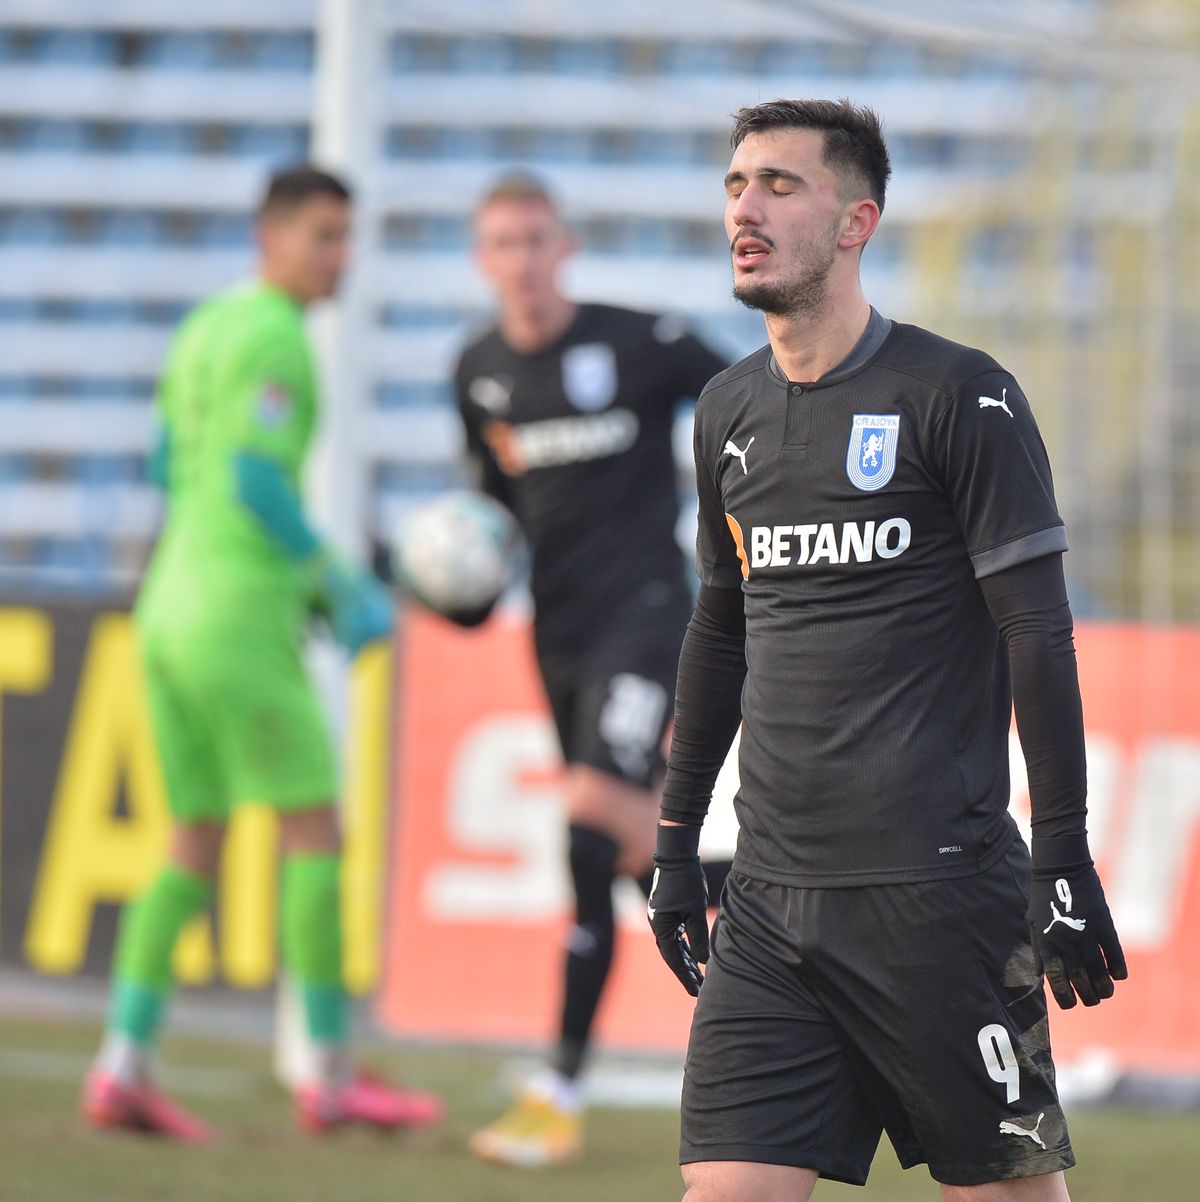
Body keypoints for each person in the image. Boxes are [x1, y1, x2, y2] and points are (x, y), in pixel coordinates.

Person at [646, 99, 1127, 1202]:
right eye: (734, 185)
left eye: (779, 185)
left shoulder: (959, 394)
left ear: (857, 220)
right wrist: (678, 840)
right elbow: (722, 629)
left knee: (1005, 1192)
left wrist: (1063, 856)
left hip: (941, 901)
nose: (744, 209)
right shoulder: (726, 410)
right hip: (771, 902)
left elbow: (1037, 634)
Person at [82, 165, 442, 1141]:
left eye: (345, 235)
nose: (341, 256)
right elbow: (255, 480)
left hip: (165, 603)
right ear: (271, 236)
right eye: (324, 235)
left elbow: (167, 463)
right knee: (315, 831)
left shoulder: (205, 327)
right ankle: (327, 1073)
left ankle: (123, 1061)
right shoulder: (280, 338)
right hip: (237, 612)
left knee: (191, 839)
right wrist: (335, 579)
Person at [449, 175, 732, 1168]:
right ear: (483, 260)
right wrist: (461, 591)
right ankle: (789, 921)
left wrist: (742, 508)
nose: (521, 260)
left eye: (535, 239)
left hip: (649, 616)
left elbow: (742, 393)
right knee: (624, 850)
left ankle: (558, 1086)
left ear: (564, 246)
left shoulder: (637, 341)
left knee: (582, 825)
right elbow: (492, 531)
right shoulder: (477, 371)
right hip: (558, 637)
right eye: (501, 244)